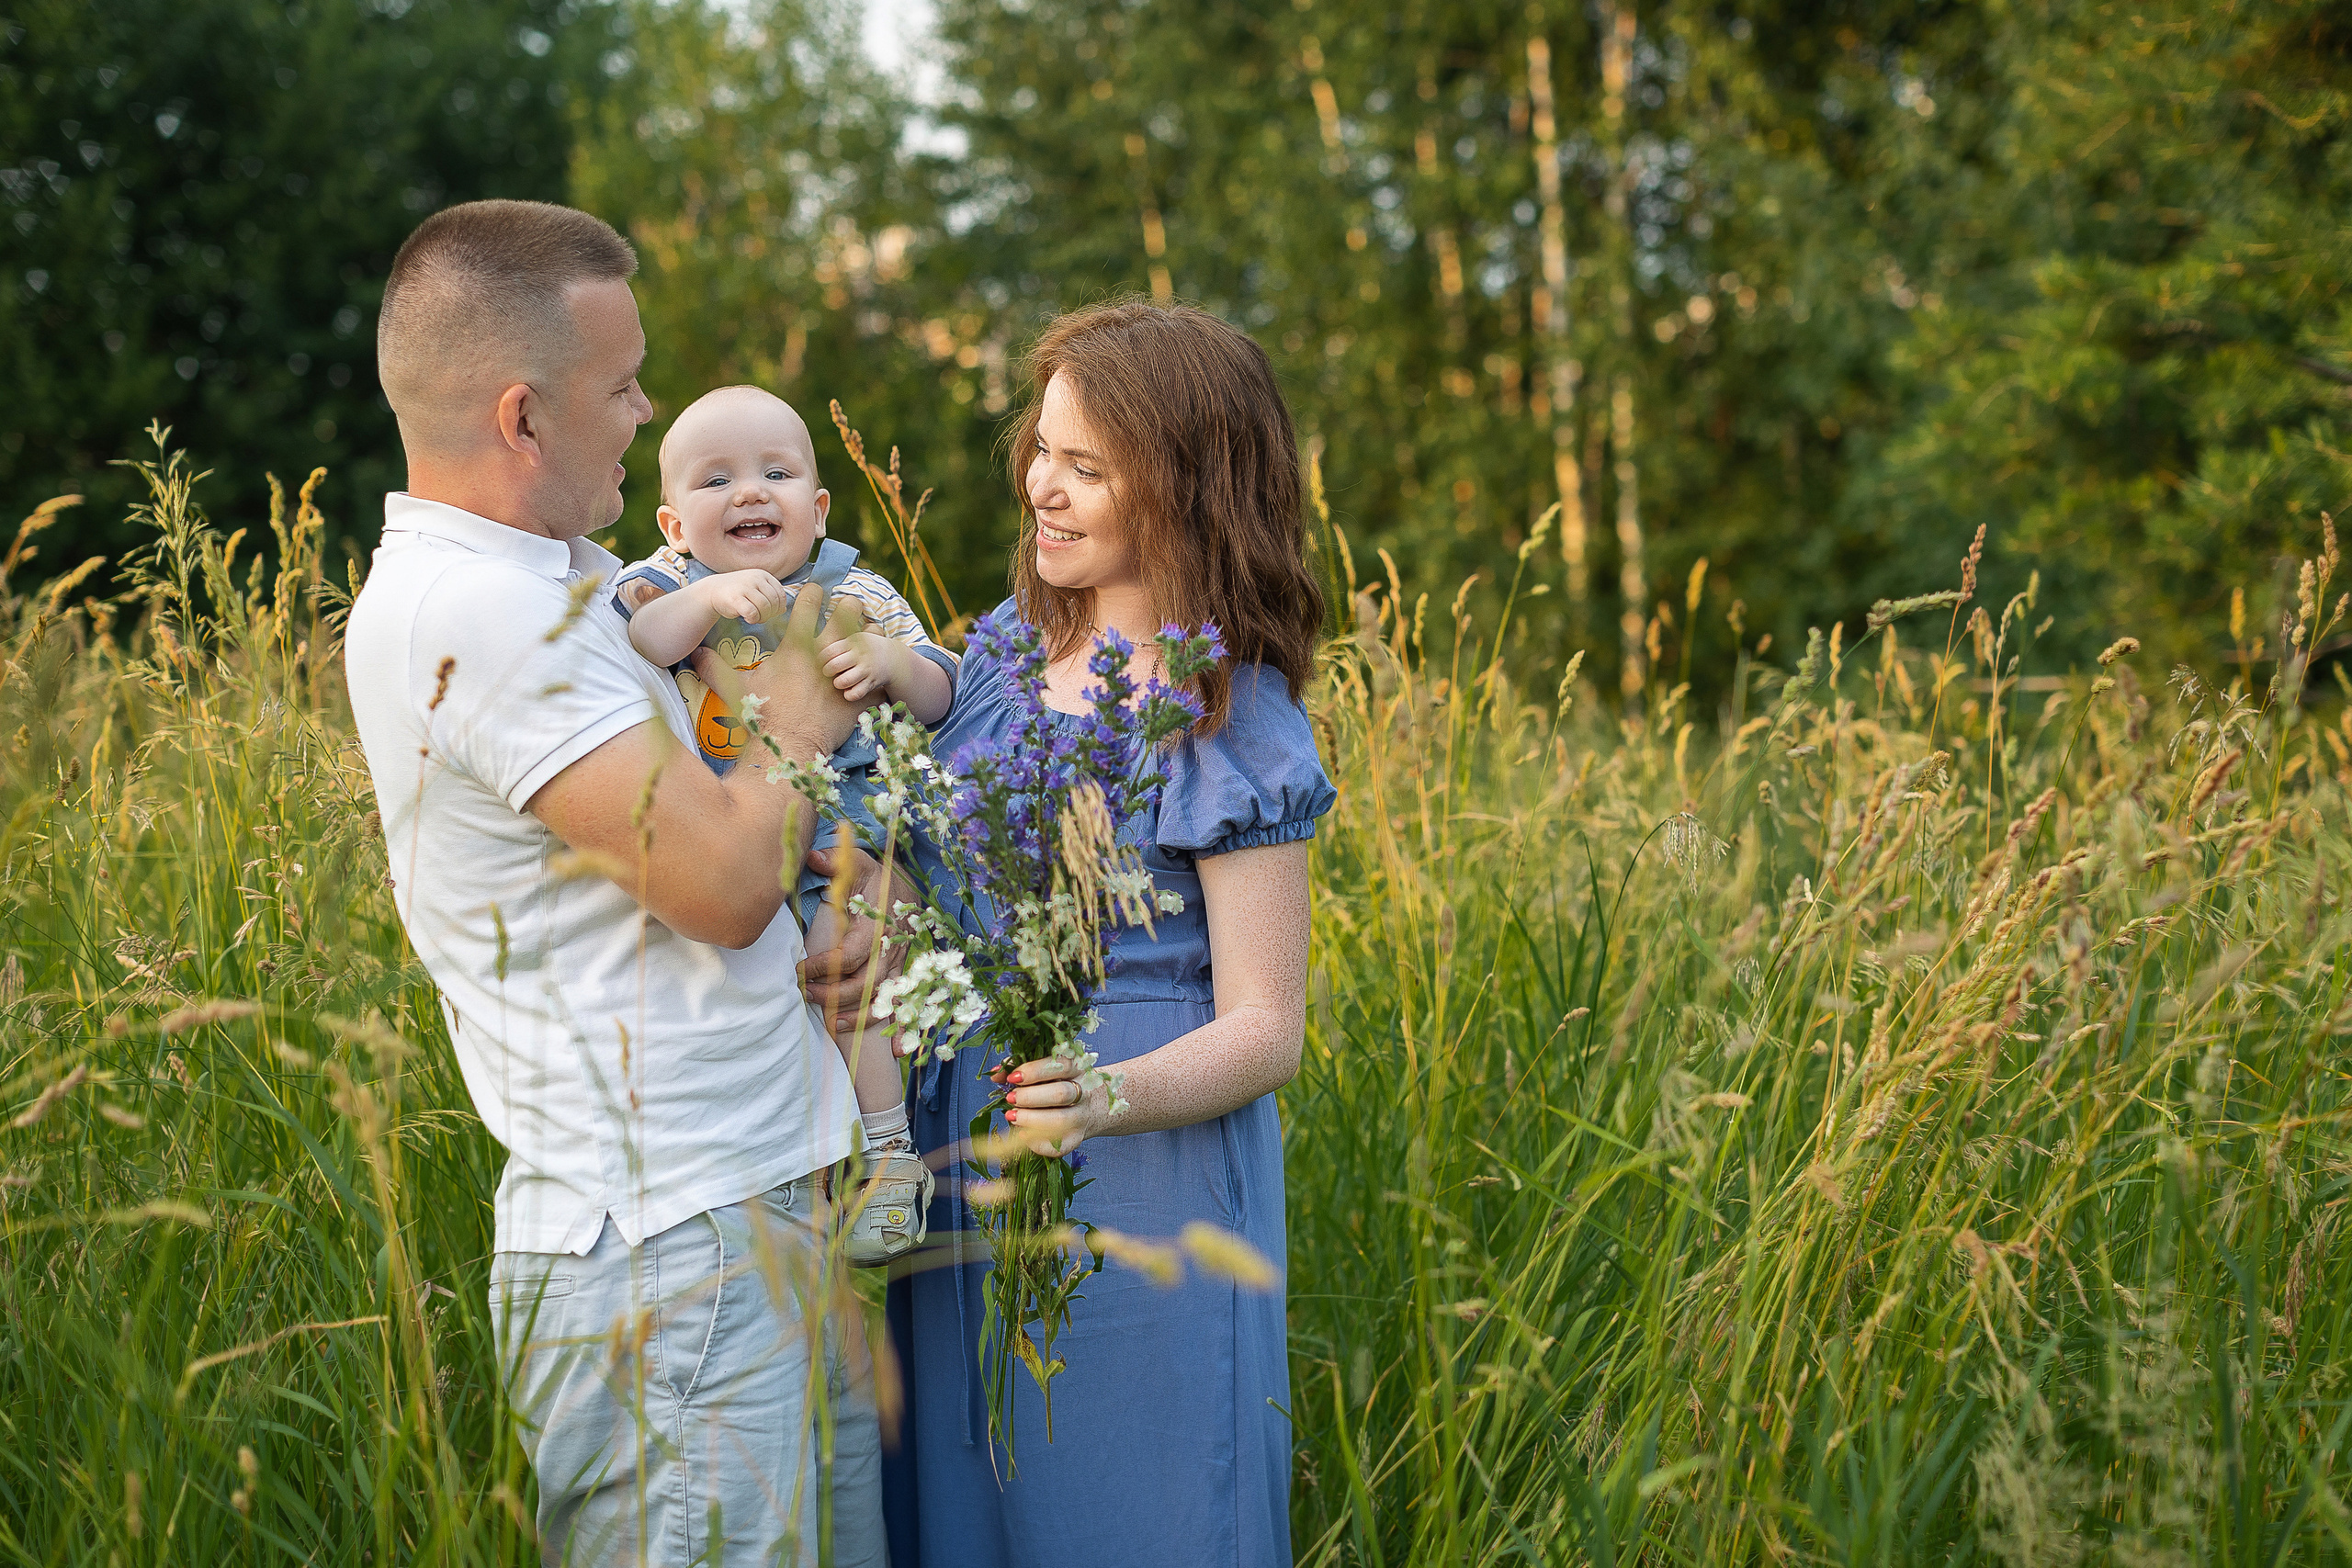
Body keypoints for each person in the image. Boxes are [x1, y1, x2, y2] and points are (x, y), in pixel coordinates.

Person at [342, 198, 891, 1567]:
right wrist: (804, 713)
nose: (648, 409)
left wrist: (863, 870)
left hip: (759, 1201)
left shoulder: (572, 578)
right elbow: (717, 879)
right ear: (524, 417)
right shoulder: (473, 611)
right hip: (667, 1259)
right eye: (624, 384)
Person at [878, 300, 1335, 1568]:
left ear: (1187, 486)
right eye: (1043, 447)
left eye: (1087, 466)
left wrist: (1102, 1093)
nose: (1043, 484)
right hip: (960, 1142)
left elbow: (1267, 1026)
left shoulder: (1228, 711)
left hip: (1142, 1169)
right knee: (972, 1508)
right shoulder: (997, 659)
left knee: (1135, 1511)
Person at [612, 381, 952, 1265]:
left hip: (842, 829)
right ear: (674, 522)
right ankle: (824, 1166)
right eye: (716, 478)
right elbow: (645, 640)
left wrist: (887, 665)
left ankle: (888, 1159)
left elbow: (942, 688)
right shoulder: (669, 581)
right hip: (726, 828)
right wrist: (708, 600)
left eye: (777, 472)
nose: (751, 491)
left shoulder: (857, 587)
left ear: (819, 503)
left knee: (849, 975)